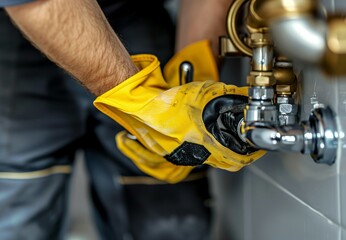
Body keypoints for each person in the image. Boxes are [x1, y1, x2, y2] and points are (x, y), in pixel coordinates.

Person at [0, 0, 265, 239]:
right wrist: (140, 102)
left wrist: (194, 79)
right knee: (16, 213)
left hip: (135, 17)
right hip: (19, 30)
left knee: (168, 213)